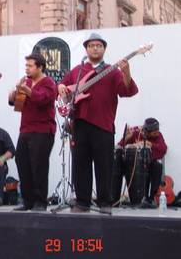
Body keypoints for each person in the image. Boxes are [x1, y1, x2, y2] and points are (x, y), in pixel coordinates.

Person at [58, 33, 138, 214]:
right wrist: (61, 87)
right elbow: (62, 87)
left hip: (103, 123)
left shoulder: (112, 71)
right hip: (79, 123)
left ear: (104, 49)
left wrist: (126, 73)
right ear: (86, 49)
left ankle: (105, 203)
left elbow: (127, 90)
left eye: (99, 45)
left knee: (104, 165)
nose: (95, 48)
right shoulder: (78, 70)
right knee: (80, 164)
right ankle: (82, 202)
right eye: (92, 45)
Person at [9, 53, 57, 211]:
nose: (27, 69)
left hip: (43, 130)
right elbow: (17, 104)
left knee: (39, 165)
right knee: (22, 163)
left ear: (40, 67)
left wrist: (27, 90)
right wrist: (14, 93)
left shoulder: (49, 83)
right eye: (26, 66)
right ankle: (27, 201)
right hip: (26, 129)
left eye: (30, 66)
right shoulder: (27, 82)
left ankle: (40, 202)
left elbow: (42, 99)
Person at [118, 118, 167, 208]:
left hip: (149, 163)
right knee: (118, 164)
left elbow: (163, 149)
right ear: (146, 131)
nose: (157, 133)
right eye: (154, 132)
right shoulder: (136, 132)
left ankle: (151, 198)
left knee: (158, 166)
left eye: (158, 130)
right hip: (133, 166)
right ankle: (117, 197)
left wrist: (151, 144)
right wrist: (126, 138)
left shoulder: (158, 135)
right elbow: (119, 146)